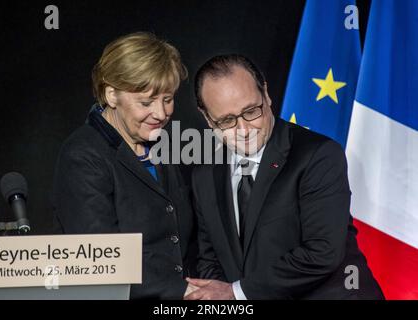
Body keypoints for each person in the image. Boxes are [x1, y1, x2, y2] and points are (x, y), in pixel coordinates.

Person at [185, 54, 384, 300]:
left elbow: (322, 253)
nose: (244, 130)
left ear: (266, 94)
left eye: (251, 111)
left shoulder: (318, 156)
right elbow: (210, 258)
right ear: (207, 118)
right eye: (227, 120)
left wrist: (236, 294)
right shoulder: (204, 175)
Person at [52, 32, 197, 299]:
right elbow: (100, 259)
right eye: (146, 102)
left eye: (168, 99)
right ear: (111, 95)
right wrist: (185, 292)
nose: (162, 114)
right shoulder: (82, 156)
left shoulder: (162, 144)